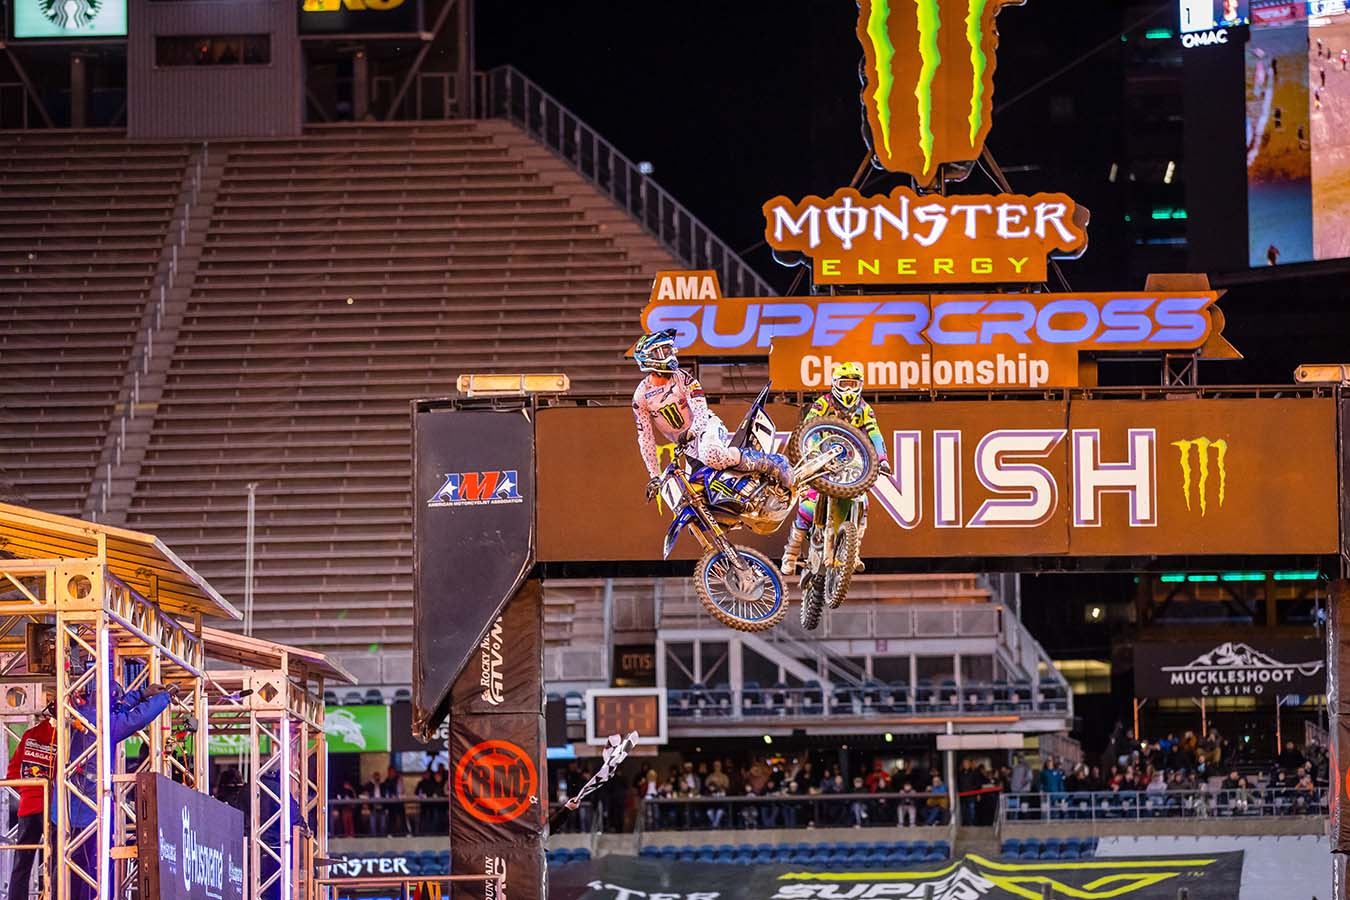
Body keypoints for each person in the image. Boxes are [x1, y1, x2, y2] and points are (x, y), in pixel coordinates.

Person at [631, 329, 793, 503]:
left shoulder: (684, 379)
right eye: (663, 351)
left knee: (712, 455)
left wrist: (693, 431)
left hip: (706, 428)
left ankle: (773, 463)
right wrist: (654, 476)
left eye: (670, 350)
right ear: (648, 358)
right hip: (688, 447)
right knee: (696, 498)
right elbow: (645, 438)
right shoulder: (640, 397)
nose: (670, 355)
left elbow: (701, 412)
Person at [780, 361, 891, 574]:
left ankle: (854, 552)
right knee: (809, 505)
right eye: (844, 383)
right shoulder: (824, 403)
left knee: (863, 503)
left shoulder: (864, 409)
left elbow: (874, 433)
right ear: (835, 384)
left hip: (852, 461)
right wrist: (810, 451)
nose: (849, 389)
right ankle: (791, 553)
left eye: (853, 384)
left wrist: (882, 458)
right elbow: (808, 427)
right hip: (823, 458)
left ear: (860, 385)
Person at [6, 708, 54, 899]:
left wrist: (27, 792)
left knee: (22, 864)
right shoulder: (64, 736)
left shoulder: (29, 735)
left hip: (27, 808)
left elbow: (12, 773)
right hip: (51, 807)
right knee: (58, 859)